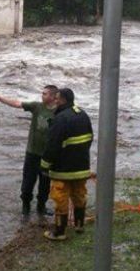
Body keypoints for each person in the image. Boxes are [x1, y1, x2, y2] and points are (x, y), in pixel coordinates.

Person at [0, 85, 58, 217]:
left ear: (54, 97)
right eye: (42, 93)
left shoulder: (59, 111)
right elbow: (17, 103)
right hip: (32, 152)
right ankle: (25, 207)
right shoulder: (37, 106)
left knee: (45, 184)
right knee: (28, 182)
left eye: (45, 94)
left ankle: (41, 207)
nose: (42, 95)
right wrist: (0, 99)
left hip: (48, 155)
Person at [40, 88, 93, 241]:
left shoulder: (60, 118)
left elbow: (52, 145)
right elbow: (90, 137)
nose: (54, 101)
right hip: (82, 167)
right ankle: (79, 225)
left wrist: (44, 165)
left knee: (60, 198)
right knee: (79, 195)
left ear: (62, 100)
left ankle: (59, 232)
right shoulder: (82, 114)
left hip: (63, 169)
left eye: (56, 98)